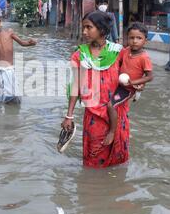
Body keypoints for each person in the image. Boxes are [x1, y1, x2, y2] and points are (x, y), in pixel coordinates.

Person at [61, 10, 129, 168]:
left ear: (102, 29)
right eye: (83, 27)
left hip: (117, 112)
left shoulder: (119, 52)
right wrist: (69, 115)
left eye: (89, 27)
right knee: (93, 158)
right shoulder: (80, 55)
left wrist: (139, 84)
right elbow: (75, 85)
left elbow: (130, 78)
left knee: (118, 156)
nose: (84, 32)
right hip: (93, 114)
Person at [105, 22, 154, 145]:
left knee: (111, 105)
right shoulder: (125, 51)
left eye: (139, 38)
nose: (135, 41)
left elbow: (149, 77)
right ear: (127, 39)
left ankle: (112, 132)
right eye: (131, 38)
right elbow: (118, 64)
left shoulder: (144, 57)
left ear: (145, 41)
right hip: (119, 83)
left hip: (127, 89)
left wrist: (133, 82)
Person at [0, 14, 36, 103]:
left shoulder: (9, 33)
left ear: (0, 23)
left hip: (8, 69)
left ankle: (10, 115)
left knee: (13, 97)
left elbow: (22, 43)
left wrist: (31, 43)